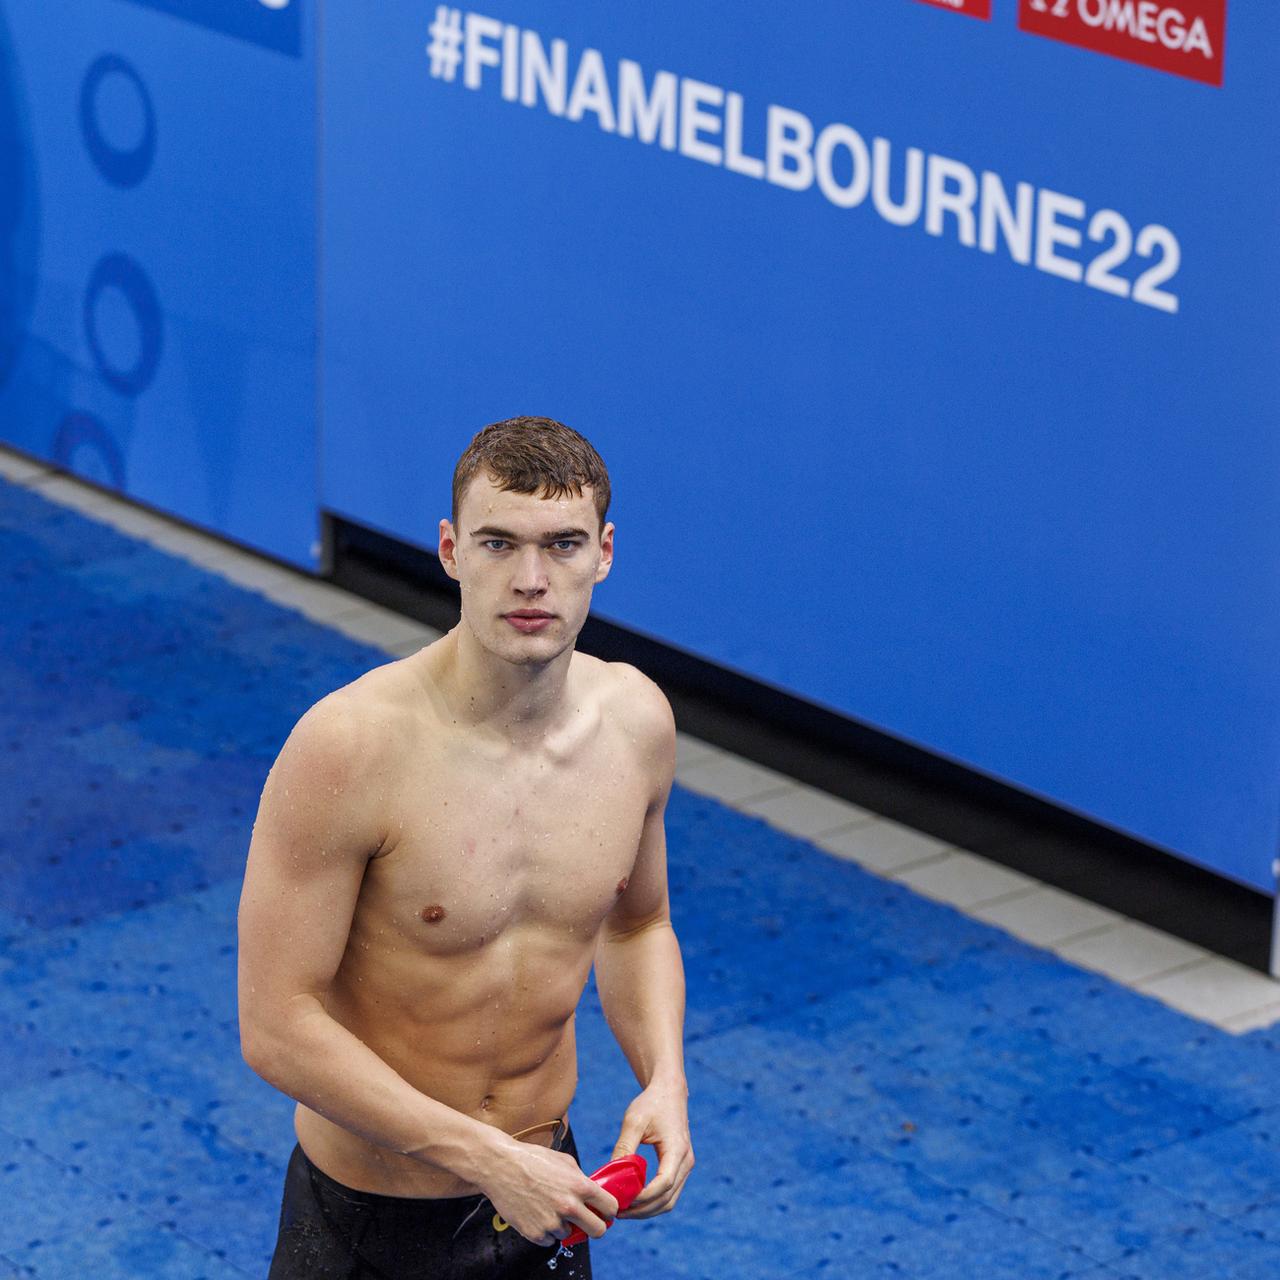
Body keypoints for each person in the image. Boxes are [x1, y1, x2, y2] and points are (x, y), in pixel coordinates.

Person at [238, 416, 694, 1278]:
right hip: (368, 1227)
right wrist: (486, 1159)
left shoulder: (636, 722)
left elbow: (638, 927)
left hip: (544, 1202)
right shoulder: (349, 749)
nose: (531, 581)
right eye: (498, 543)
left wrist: (664, 1080)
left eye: (562, 545)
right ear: (450, 551)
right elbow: (275, 1026)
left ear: (605, 552)